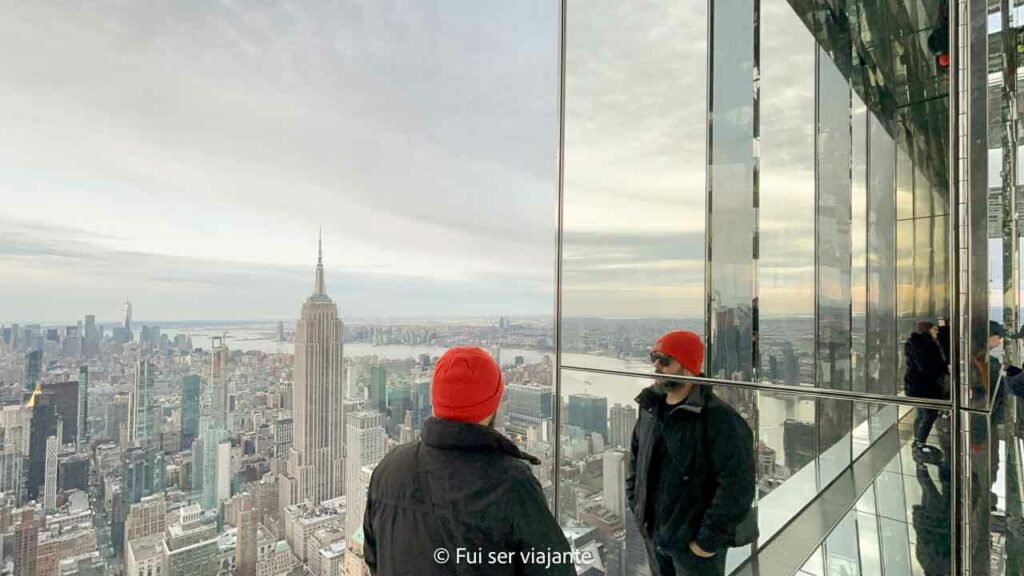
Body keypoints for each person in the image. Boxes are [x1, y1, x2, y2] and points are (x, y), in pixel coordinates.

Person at [362, 347, 572, 576]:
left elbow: (375, 559)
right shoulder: (511, 484)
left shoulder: (388, 469)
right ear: (494, 406)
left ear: (435, 402)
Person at [626, 330, 755, 576]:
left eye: (665, 360)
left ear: (688, 367)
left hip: (693, 548)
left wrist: (706, 541)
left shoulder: (720, 419)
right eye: (654, 357)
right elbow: (636, 459)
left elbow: (738, 485)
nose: (656, 365)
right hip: (655, 537)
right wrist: (637, 506)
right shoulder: (650, 408)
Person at [903, 320, 948, 451]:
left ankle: (918, 441)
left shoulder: (916, 344)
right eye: (934, 330)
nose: (936, 332)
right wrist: (940, 368)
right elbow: (925, 366)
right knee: (929, 414)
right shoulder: (924, 346)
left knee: (922, 414)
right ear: (926, 332)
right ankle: (920, 444)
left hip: (916, 386)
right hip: (923, 388)